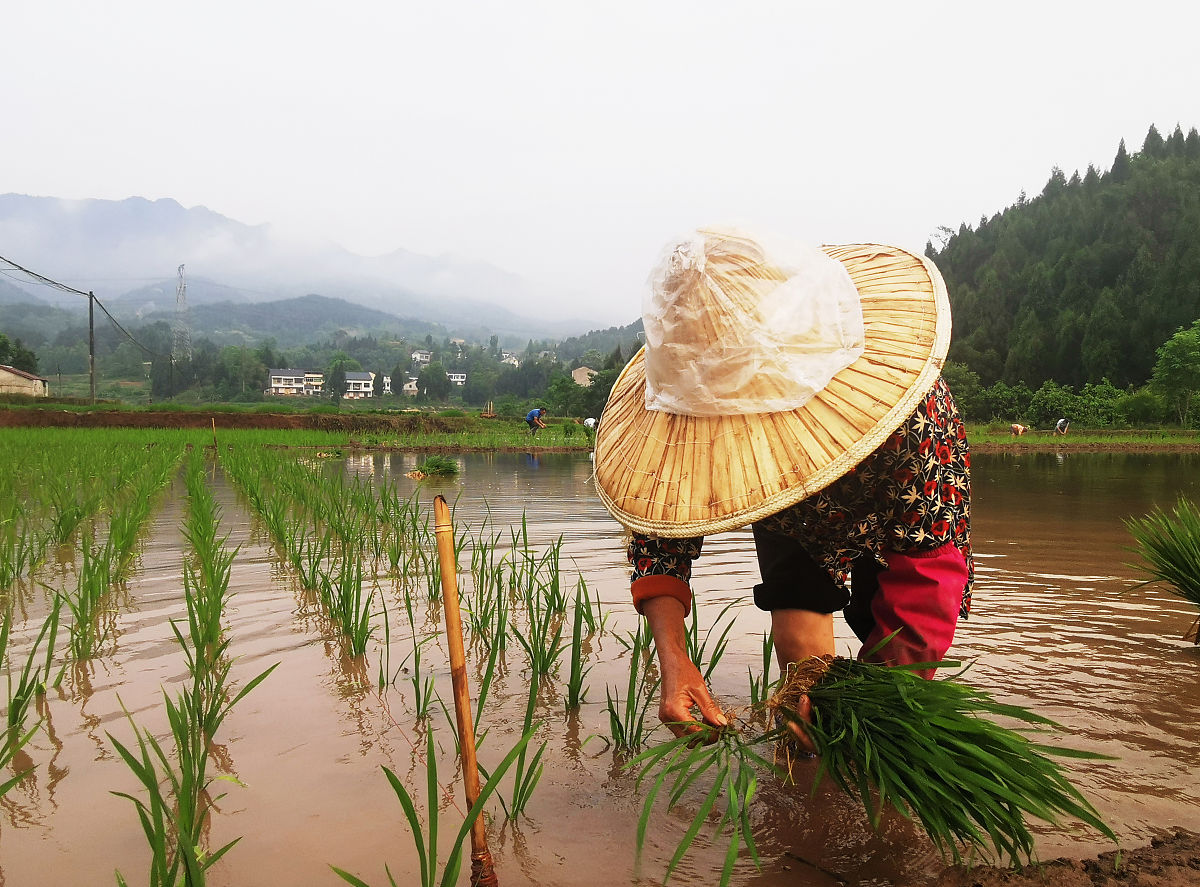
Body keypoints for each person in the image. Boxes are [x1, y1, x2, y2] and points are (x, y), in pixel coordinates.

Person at [592, 228, 972, 744]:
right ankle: (802, 771)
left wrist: (879, 701)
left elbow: (929, 567)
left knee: (888, 694)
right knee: (803, 688)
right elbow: (659, 537)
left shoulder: (915, 415)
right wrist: (674, 660)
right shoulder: (694, 399)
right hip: (787, 513)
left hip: (890, 526)